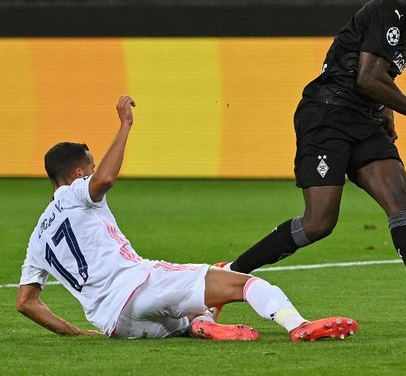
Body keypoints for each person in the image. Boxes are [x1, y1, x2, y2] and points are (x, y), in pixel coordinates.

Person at [222, 0, 406, 328]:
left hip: (362, 119)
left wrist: (386, 111)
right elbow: (366, 77)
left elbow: (375, 74)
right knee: (319, 222)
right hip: (327, 115)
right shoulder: (393, 9)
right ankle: (229, 274)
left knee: (399, 199)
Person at [16, 95, 357, 342]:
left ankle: (200, 324)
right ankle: (297, 325)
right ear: (77, 174)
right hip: (138, 285)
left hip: (116, 325)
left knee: (185, 317)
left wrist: (75, 332)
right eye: (89, 169)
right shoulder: (72, 193)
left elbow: (26, 303)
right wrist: (125, 126)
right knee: (242, 281)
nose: (94, 174)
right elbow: (104, 180)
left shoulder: (38, 238)